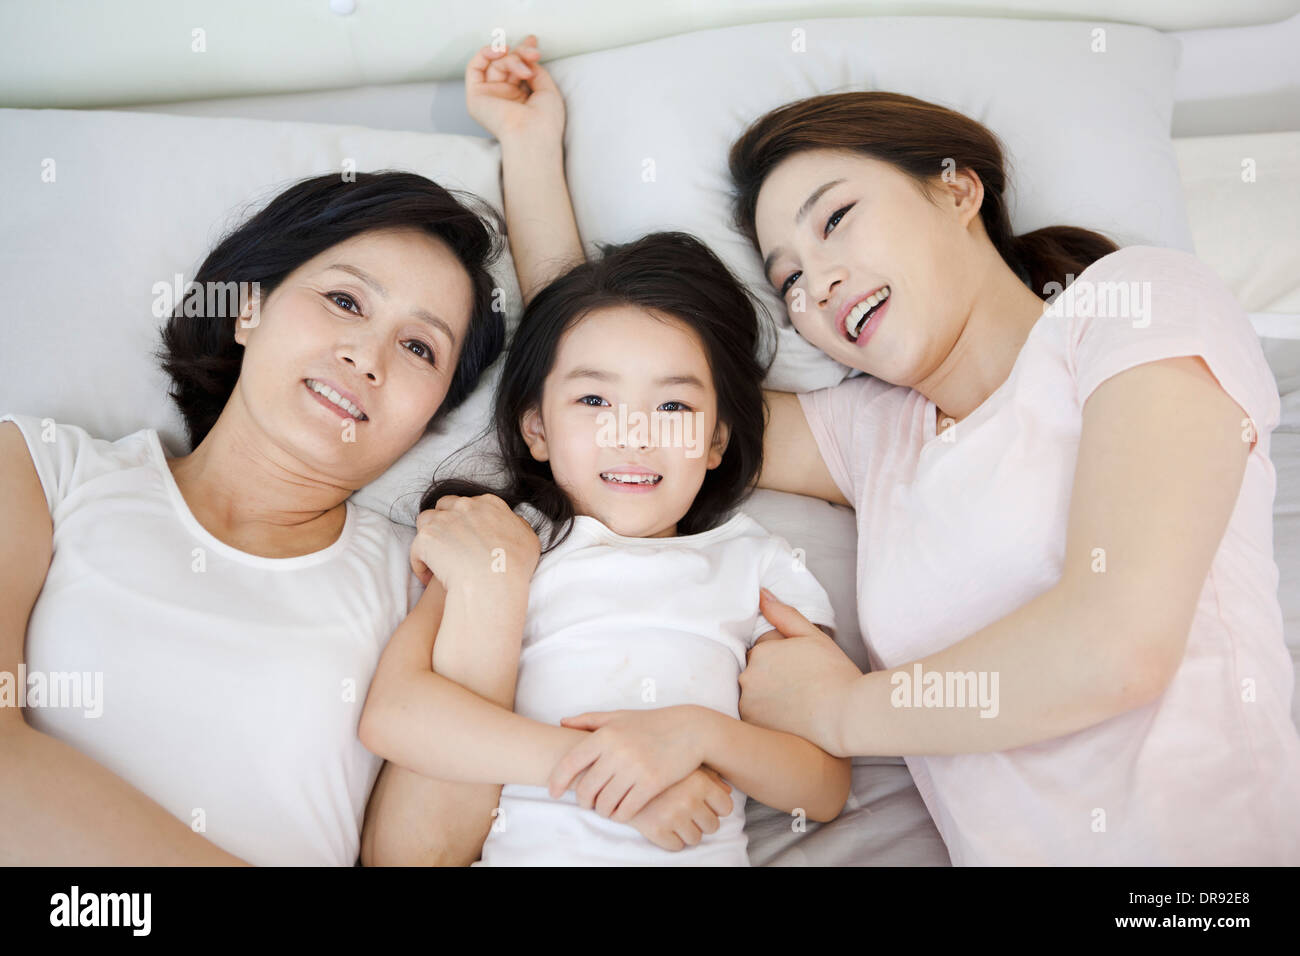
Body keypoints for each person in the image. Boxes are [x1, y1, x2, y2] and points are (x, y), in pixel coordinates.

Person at [468, 35, 1300, 865]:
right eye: (787, 278)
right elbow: (611, 371)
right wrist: (532, 150)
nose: (817, 283)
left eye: (836, 219)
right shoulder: (873, 437)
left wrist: (841, 713)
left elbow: (1114, 649)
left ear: (956, 189)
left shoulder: (1133, 304)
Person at [0, 171, 510, 865]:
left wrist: (491, 594)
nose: (367, 358)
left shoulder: (424, 580)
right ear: (249, 310)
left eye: (419, 348)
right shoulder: (39, 469)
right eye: (343, 300)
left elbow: (417, 859)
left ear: (432, 418)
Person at [360, 230, 850, 865]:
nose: (633, 434)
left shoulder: (756, 564)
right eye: (594, 400)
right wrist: (610, 775)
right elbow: (394, 715)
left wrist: (698, 736)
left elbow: (824, 787)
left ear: (715, 442)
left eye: (672, 405)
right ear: (537, 428)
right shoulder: (508, 543)